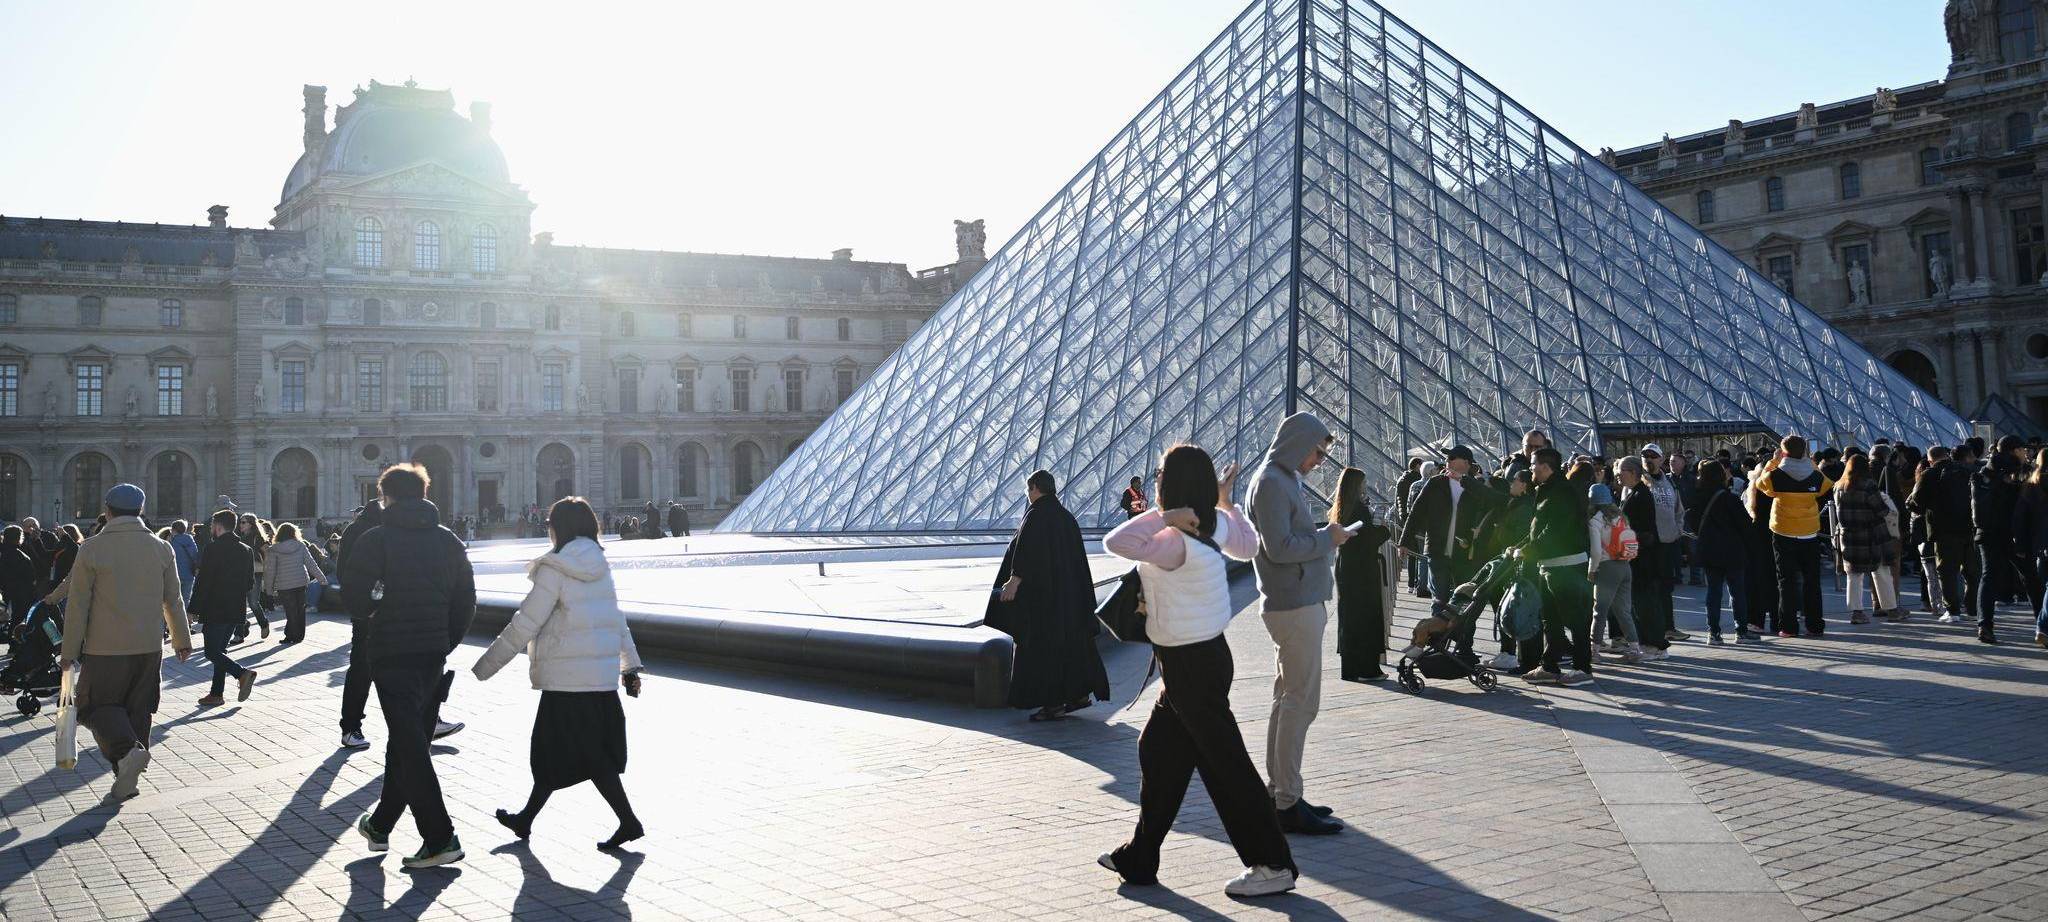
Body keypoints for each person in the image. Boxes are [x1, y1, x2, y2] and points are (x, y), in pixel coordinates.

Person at [1099, 444, 1297, 898]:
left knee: (1226, 766)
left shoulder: (1171, 541)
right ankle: (1140, 856)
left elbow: (1117, 543)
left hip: (1189, 665)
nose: (1154, 479)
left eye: (1159, 475)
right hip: (1206, 657)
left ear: (1170, 485)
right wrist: (1223, 501)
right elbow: (1248, 548)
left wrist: (1165, 517)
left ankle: (1272, 863)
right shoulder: (1215, 525)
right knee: (1157, 750)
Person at [474, 496, 647, 850]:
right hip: (597, 681)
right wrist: (629, 667)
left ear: (560, 528)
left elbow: (526, 622)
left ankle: (628, 821)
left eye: (551, 524)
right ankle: (526, 819)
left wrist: (485, 666)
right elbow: (616, 619)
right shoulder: (600, 563)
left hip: (567, 681)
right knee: (562, 753)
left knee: (576, 755)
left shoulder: (555, 568)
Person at [342, 462, 477, 869]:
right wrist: (444, 640)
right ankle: (381, 824)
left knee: (411, 744)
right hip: (433, 655)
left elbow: (355, 601)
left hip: (391, 655)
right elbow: (466, 601)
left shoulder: (375, 540)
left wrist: (377, 608)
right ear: (423, 492)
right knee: (406, 740)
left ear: (388, 496)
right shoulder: (449, 541)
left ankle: (439, 837)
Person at [57, 484, 193, 803]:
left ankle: (129, 754)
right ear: (141, 511)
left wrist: (68, 651)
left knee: (93, 707)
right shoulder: (161, 547)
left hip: (104, 648)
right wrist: (181, 640)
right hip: (148, 646)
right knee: (138, 710)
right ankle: (126, 780)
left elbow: (78, 604)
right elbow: (173, 599)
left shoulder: (91, 548)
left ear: (108, 511)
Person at [1248, 412, 1349, 836]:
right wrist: (1329, 538)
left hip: (1294, 602)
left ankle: (1280, 791)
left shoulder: (1279, 477)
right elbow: (1281, 548)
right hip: (1294, 605)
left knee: (1285, 700)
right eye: (1317, 452)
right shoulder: (1273, 482)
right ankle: (1286, 801)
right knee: (1300, 703)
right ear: (1297, 443)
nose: (1319, 461)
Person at [985, 470, 1112, 720]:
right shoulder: (1066, 517)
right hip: (1070, 601)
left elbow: (1026, 553)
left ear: (1034, 488)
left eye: (1027, 490)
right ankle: (1078, 695)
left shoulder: (1036, 515)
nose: (1026, 495)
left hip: (1044, 603)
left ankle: (1052, 704)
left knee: (1043, 652)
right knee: (1072, 649)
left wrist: (1013, 581)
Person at [1398, 445, 1496, 662]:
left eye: (1453, 458)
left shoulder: (1475, 486)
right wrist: (1404, 541)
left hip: (1466, 554)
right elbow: (1416, 511)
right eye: (1448, 459)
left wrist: (1468, 482)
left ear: (1467, 464)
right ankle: (1436, 645)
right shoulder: (1435, 483)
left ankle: (1464, 646)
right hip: (1436, 550)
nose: (1448, 462)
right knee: (1439, 600)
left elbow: (1495, 501)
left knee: (1464, 603)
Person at [1516, 449, 1593, 685]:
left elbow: (1555, 529)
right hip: (1550, 564)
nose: (1530, 469)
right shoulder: (1547, 489)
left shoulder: (1561, 491)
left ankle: (1583, 668)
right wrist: (1521, 546)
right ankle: (1549, 665)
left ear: (1545, 467)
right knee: (1551, 618)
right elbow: (1539, 528)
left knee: (1574, 617)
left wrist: (1529, 549)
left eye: (1533, 464)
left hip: (1566, 565)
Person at [1751, 436, 1836, 638]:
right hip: (1809, 532)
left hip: (1783, 531)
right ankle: (1815, 625)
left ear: (1783, 452)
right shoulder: (1815, 477)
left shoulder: (1776, 474)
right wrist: (1809, 461)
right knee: (1812, 582)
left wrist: (1774, 461)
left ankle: (1788, 627)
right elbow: (1825, 485)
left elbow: (1761, 485)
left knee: (1786, 582)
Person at [189, 510, 258, 707]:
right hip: (235, 608)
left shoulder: (213, 548)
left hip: (215, 608)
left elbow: (203, 582)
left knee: (211, 652)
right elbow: (250, 583)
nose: (211, 529)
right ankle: (216, 693)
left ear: (218, 527)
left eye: (212, 526)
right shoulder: (246, 550)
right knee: (220, 650)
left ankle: (242, 673)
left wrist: (193, 608)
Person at [1330, 467, 1392, 682]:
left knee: (1350, 617)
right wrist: (1384, 530)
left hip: (1346, 568)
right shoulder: (1360, 510)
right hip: (1363, 569)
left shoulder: (1340, 508)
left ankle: (1351, 668)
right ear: (1357, 486)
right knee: (1368, 616)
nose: (1366, 487)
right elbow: (1368, 541)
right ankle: (1368, 669)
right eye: (1363, 483)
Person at [1472, 470, 1533, 668]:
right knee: (1503, 607)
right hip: (1504, 562)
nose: (1511, 484)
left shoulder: (1521, 507)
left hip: (1509, 564)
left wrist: (1500, 529)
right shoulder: (1513, 505)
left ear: (1523, 484)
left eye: (1514, 480)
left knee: (1507, 608)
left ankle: (1510, 653)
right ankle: (1507, 652)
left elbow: (1517, 536)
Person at [1834, 454, 1902, 626]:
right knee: (1881, 572)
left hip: (1848, 536)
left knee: (1854, 575)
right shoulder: (1868, 485)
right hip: (1872, 535)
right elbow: (1881, 510)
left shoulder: (1839, 486)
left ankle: (1856, 613)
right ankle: (1892, 610)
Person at [1690, 461, 1755, 644]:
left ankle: (1714, 632)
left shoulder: (1698, 497)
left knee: (1713, 591)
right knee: (1737, 592)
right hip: (1733, 550)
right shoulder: (1730, 498)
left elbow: (1692, 522)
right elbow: (1745, 525)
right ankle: (1741, 631)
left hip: (1709, 550)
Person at [1973, 436, 2027, 644]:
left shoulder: (1982, 474)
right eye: (2022, 449)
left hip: (1986, 533)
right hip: (2012, 534)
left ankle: (1984, 625)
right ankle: (2043, 624)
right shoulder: (2015, 474)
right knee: (2031, 577)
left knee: (1988, 577)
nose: (2025, 453)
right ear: (2014, 451)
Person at [337, 499, 382, 749]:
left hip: (365, 613)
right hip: (377, 612)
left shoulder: (353, 532)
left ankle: (351, 727)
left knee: (361, 670)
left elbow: (343, 574)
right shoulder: (377, 533)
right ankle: (427, 720)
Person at [1615, 457, 1669, 660]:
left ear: (1631, 472)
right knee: (1641, 603)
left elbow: (1643, 530)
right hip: (1640, 556)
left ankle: (1655, 645)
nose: (1617, 475)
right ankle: (1650, 643)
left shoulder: (1640, 495)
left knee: (1646, 603)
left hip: (1643, 559)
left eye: (1620, 471)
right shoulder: (1635, 493)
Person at [1586, 484, 1643, 663]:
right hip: (1625, 566)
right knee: (1623, 610)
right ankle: (1634, 649)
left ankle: (1594, 650)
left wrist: (1592, 570)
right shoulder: (1621, 517)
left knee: (1600, 610)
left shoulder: (1595, 520)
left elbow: (1595, 551)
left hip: (1607, 567)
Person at [1639, 444, 1688, 643]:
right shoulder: (1639, 482)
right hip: (1649, 544)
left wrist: (1677, 529)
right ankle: (1652, 629)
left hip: (1668, 542)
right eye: (1645, 456)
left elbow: (1679, 509)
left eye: (1653, 456)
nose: (1648, 459)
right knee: (1650, 588)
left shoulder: (1669, 482)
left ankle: (1669, 626)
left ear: (1661, 459)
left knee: (1667, 587)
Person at [264, 522, 325, 645]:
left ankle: (291, 635)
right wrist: (321, 578)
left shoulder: (273, 550)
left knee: (290, 610)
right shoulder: (301, 546)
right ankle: (297, 635)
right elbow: (311, 564)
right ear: (294, 533)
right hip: (300, 582)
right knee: (299, 609)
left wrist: (268, 590)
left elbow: (270, 571)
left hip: (284, 585)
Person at [2013, 449, 2048, 647]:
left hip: (2039, 546)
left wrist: (2021, 545)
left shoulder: (2030, 487)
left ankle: (2043, 628)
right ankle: (2042, 627)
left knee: (2046, 587)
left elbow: (2020, 519)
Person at [232, 515, 271, 643]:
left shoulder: (258, 538)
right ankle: (239, 634)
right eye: (240, 522)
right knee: (239, 604)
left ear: (251, 524)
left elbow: (267, 556)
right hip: (240, 574)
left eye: (243, 522)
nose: (240, 525)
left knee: (253, 603)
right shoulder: (238, 538)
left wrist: (267, 575)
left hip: (255, 573)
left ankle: (264, 623)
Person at [1404, 462, 1438, 597]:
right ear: (1430, 472)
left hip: (1417, 526)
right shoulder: (1433, 485)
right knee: (1427, 557)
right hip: (1429, 526)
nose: (1437, 471)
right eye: (1435, 470)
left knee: (1421, 557)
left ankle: (1421, 585)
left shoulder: (1414, 485)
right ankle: (1425, 587)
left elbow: (1408, 507)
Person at [0, 526, 37, 640]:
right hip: (21, 591)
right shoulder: (20, 555)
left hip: (5, 590)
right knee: (18, 618)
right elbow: (30, 575)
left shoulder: (3, 553)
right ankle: (15, 641)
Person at [1393, 459, 1424, 591]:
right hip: (1415, 518)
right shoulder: (1416, 480)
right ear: (1418, 466)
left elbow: (1398, 501)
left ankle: (1411, 584)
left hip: (1403, 518)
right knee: (1421, 552)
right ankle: (1419, 583)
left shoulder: (1402, 479)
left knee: (1411, 553)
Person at [167, 520, 199, 606]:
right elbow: (195, 555)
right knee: (186, 599)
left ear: (173, 530)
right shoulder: (189, 539)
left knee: (175, 599)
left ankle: (176, 618)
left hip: (175, 575)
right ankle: (185, 618)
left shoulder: (171, 542)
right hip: (189, 574)